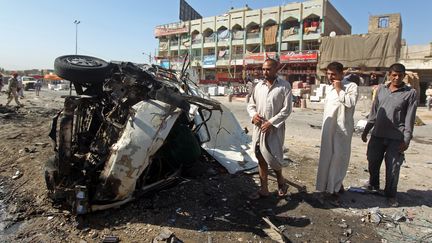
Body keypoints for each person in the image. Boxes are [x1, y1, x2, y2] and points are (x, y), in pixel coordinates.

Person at [361, 63, 417, 207]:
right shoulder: (380, 90)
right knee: (372, 161)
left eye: (400, 75)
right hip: (377, 135)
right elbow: (374, 112)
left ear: (404, 76)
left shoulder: (410, 93)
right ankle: (373, 185)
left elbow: (410, 118)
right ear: (389, 75)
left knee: (393, 168)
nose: (396, 78)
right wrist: (367, 130)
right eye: (394, 75)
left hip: (396, 137)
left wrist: (407, 139)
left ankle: (390, 194)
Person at [247, 59, 292, 199]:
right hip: (259, 128)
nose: (265, 72)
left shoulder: (284, 86)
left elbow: (287, 110)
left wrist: (271, 123)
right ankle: (264, 189)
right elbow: (250, 104)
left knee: (274, 158)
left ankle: (281, 182)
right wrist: (253, 115)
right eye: (263, 69)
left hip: (274, 129)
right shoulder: (258, 86)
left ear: (276, 69)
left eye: (268, 69)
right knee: (260, 157)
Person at [315, 62, 358, 205]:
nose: (330, 77)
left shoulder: (351, 87)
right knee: (326, 157)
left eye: (333, 74)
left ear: (341, 74)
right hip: (329, 129)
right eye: (328, 74)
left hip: (343, 130)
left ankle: (334, 188)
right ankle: (325, 187)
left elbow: (350, 103)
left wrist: (340, 89)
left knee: (339, 159)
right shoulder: (329, 89)